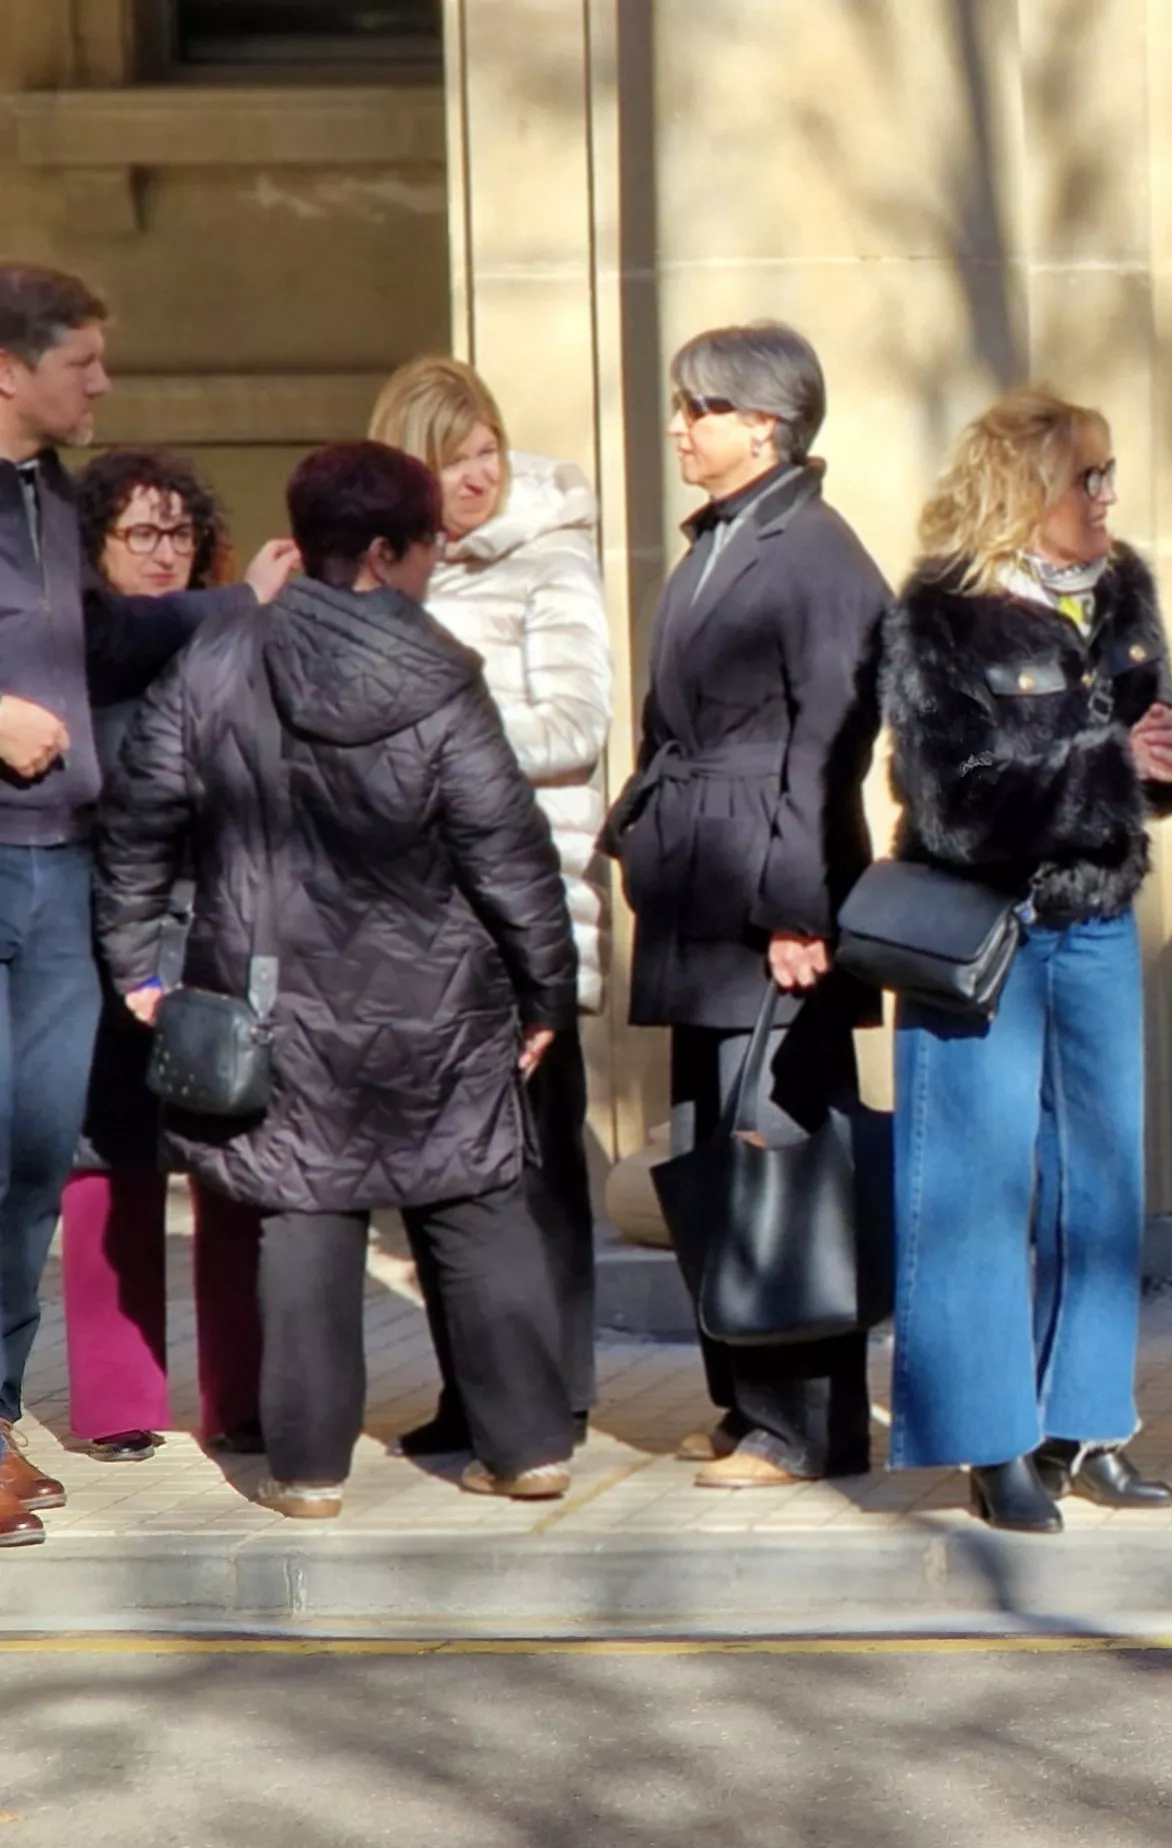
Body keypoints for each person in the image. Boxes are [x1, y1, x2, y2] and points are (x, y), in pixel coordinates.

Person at [99, 440, 581, 1519]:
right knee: (473, 1200)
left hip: (273, 999)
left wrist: (134, 961)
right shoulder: (441, 675)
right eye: (426, 545)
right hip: (441, 1000)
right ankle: (526, 1451)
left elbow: (139, 818)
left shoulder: (219, 661)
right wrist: (544, 989)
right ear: (383, 553)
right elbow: (506, 850)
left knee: (304, 1209)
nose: (433, 563)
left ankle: (310, 1470)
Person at [878, 387, 1172, 1532]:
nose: (1107, 496)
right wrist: (1112, 764)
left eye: (1110, 474)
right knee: (972, 1189)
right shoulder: (938, 613)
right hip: (983, 935)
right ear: (1022, 490)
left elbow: (1148, 759)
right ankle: (990, 1440)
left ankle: (1085, 1427)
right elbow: (950, 804)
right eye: (1086, 478)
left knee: (1103, 1183)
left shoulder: (1123, 589)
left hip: (1096, 921)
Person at [0, 265, 289, 1539]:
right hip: (16, 866)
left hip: (77, 872)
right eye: (83, 363)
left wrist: (240, 606)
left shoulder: (53, 504)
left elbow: (115, 642)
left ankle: (2, 1419)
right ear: (11, 369)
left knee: (34, 1157)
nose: (102, 384)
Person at [608, 322, 887, 1491]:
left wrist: (798, 910)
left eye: (702, 407)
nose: (682, 426)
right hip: (703, 892)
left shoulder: (814, 553)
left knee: (782, 1156)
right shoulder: (723, 537)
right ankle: (745, 1399)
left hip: (769, 904)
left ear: (765, 424)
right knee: (714, 1151)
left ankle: (806, 1423)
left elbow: (829, 746)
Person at [366, 354, 617, 1461]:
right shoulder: (391, 571)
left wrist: (438, 739)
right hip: (417, 912)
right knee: (442, 1173)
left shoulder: (550, 556)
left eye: (489, 452)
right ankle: (474, 1390)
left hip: (524, 905)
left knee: (537, 1163)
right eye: (454, 457)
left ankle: (556, 1390)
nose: (478, 476)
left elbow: (577, 724)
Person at [53, 448, 264, 1469]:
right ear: (96, 545)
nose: (163, 551)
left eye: (181, 531)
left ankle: (244, 1400)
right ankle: (117, 1405)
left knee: (233, 1163)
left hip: (219, 927)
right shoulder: (74, 651)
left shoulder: (235, 648)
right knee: (109, 1163)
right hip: (102, 932)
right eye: (139, 531)